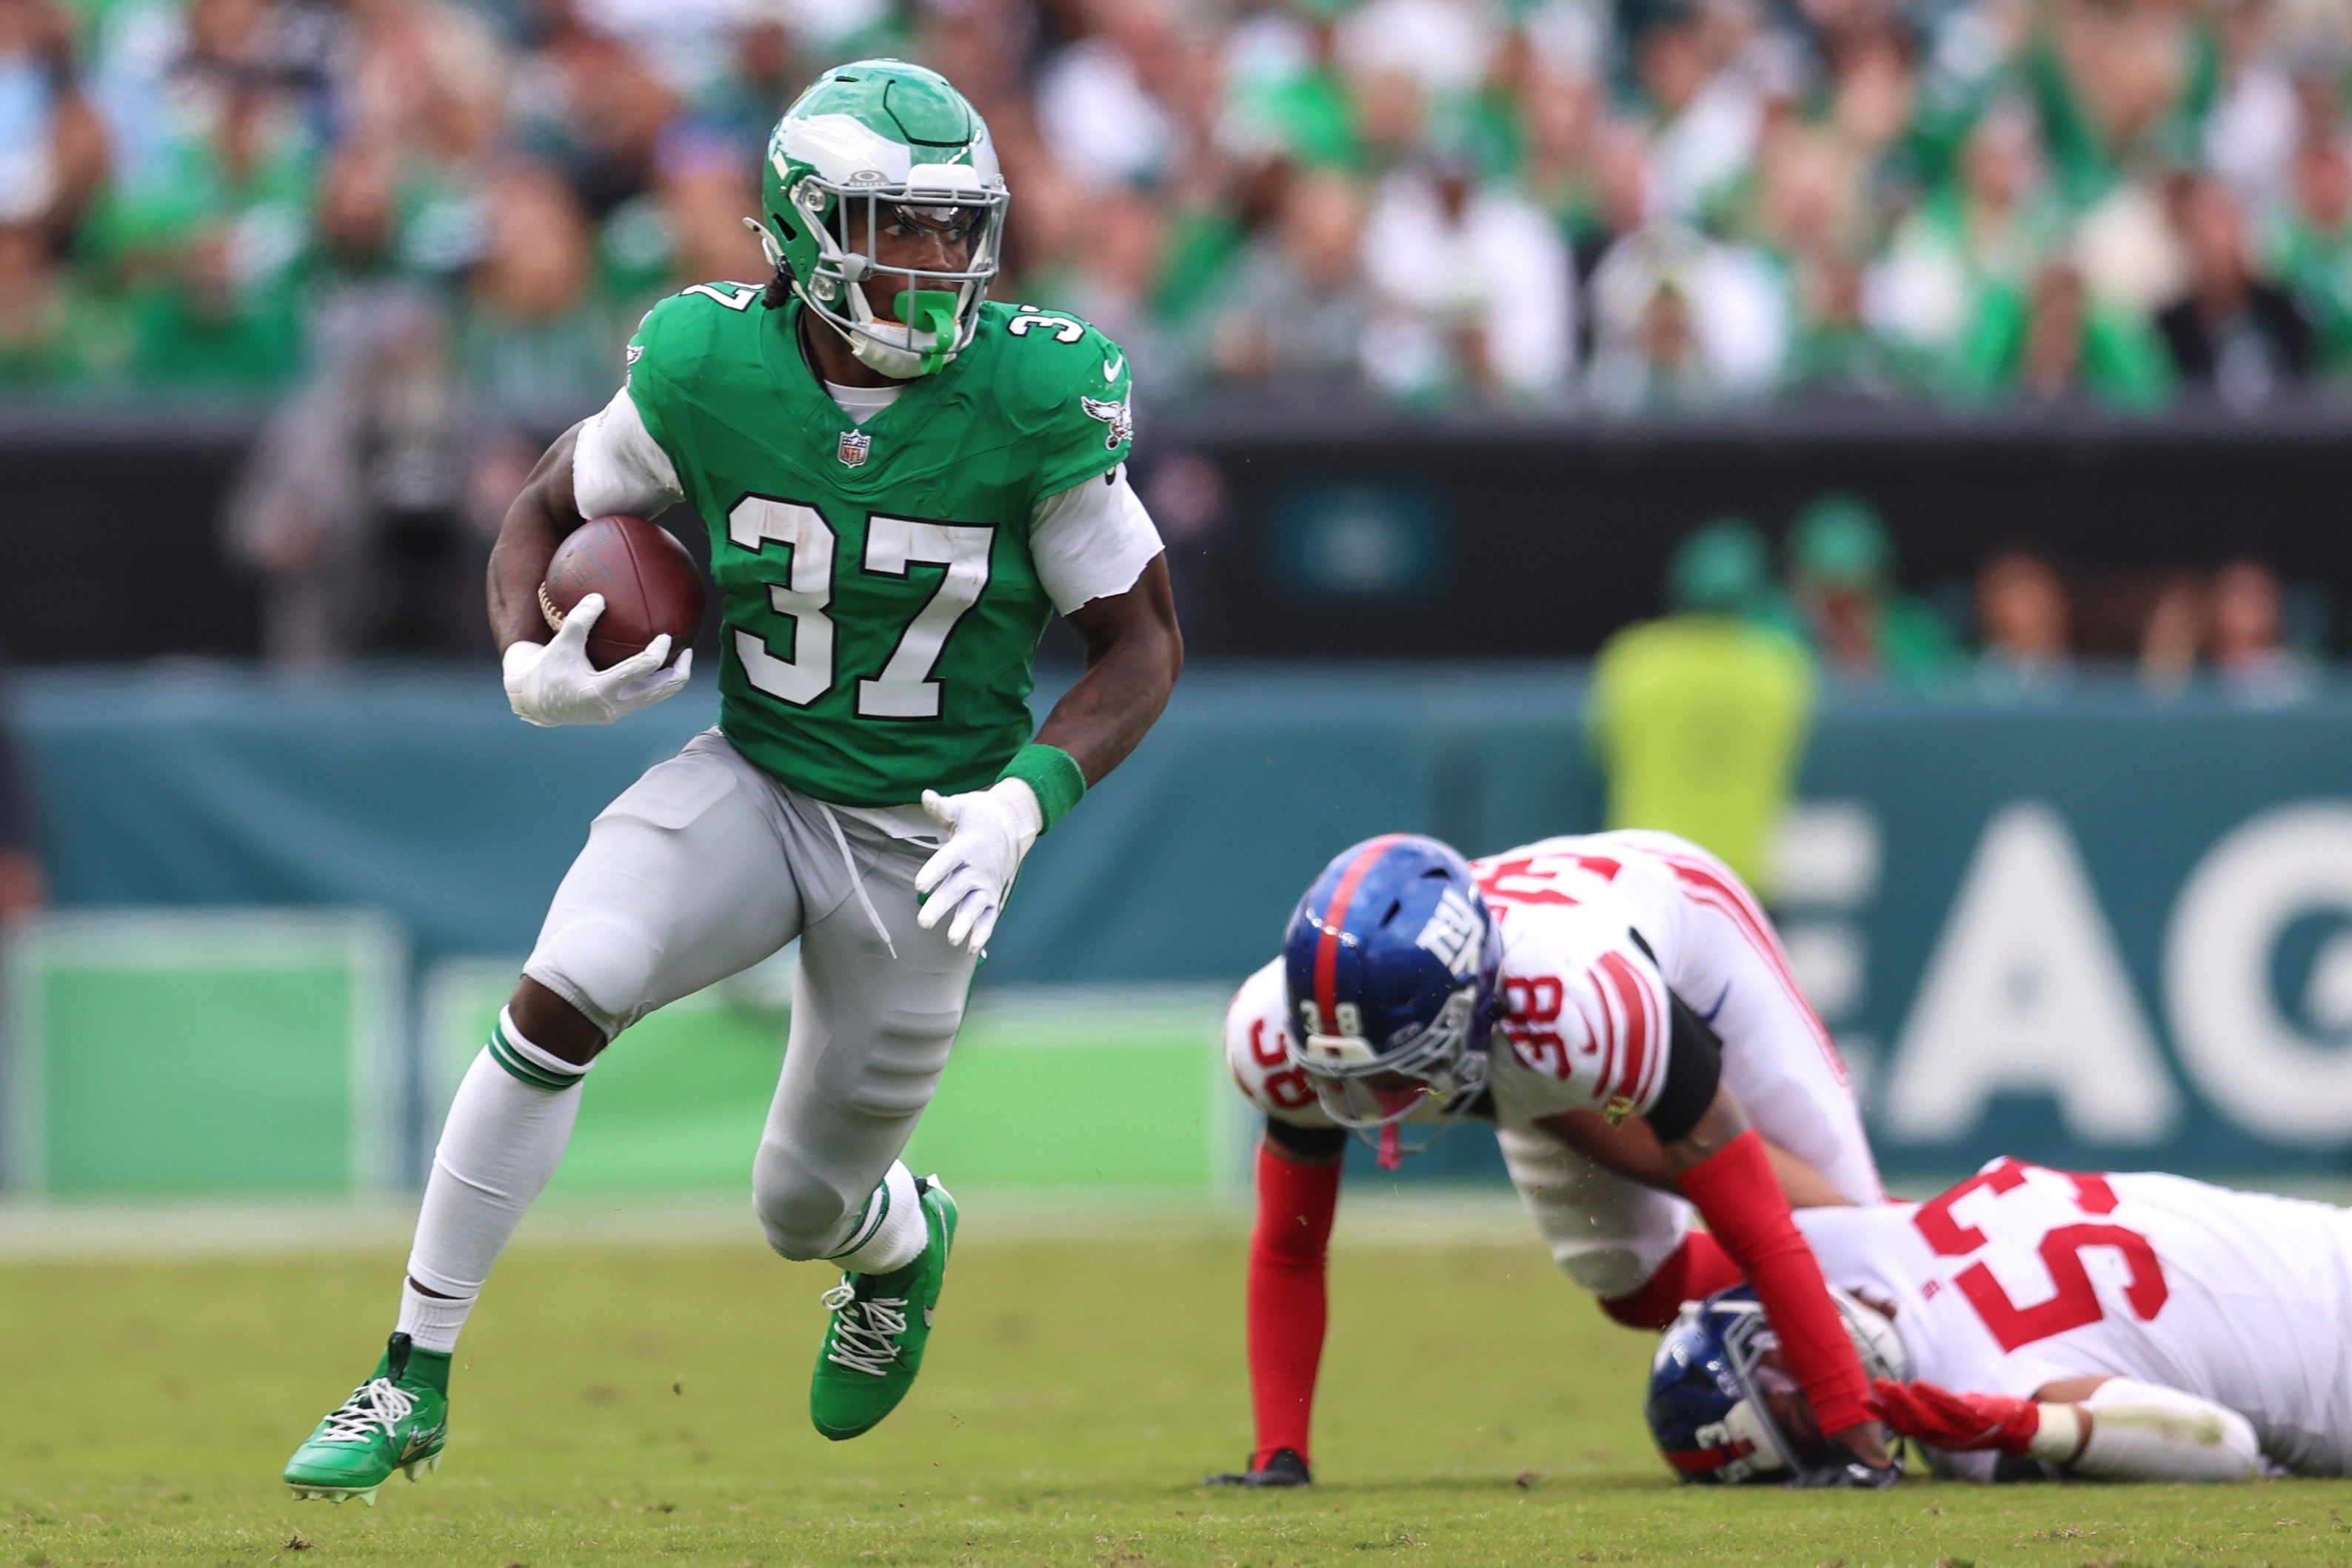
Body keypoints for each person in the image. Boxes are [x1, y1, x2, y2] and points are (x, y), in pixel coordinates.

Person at [282, 59, 1183, 1504]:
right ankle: (411, 1371)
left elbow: (1140, 646)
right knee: (564, 983)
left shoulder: (1032, 390)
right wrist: (527, 657)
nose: (938, 264)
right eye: (902, 225)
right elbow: (548, 503)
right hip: (757, 781)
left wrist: (1025, 803)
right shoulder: (709, 366)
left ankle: (894, 1243)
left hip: (928, 838)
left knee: (798, 1204)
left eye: (959, 229)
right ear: (807, 229)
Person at [1209, 831, 1891, 1490]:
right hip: (1514, 1039)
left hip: (1688, 920)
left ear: (1468, 1008)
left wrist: (1853, 1438)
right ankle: (1858, 1334)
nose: (1369, 1098)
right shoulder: (1281, 1031)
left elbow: (1750, 1214)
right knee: (1641, 1288)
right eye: (1346, 1075)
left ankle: (1946, 1317)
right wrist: (1280, 1458)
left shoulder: (1582, 1005)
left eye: (1397, 1073)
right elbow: (1290, 1249)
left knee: (1869, 1242)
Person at [1652, 1158, 2352, 1484]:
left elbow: (2221, 1446)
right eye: (1804, 1411)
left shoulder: (1844, 1251)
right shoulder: (1866, 1244)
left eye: (1784, 1369)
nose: (1817, 1380)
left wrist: (2012, 1425)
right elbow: (2219, 1443)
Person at [1588, 519, 1813, 901]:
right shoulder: (1781, 668)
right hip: (1741, 882)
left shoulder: (1634, 661)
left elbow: (1601, 751)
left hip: (1647, 874)